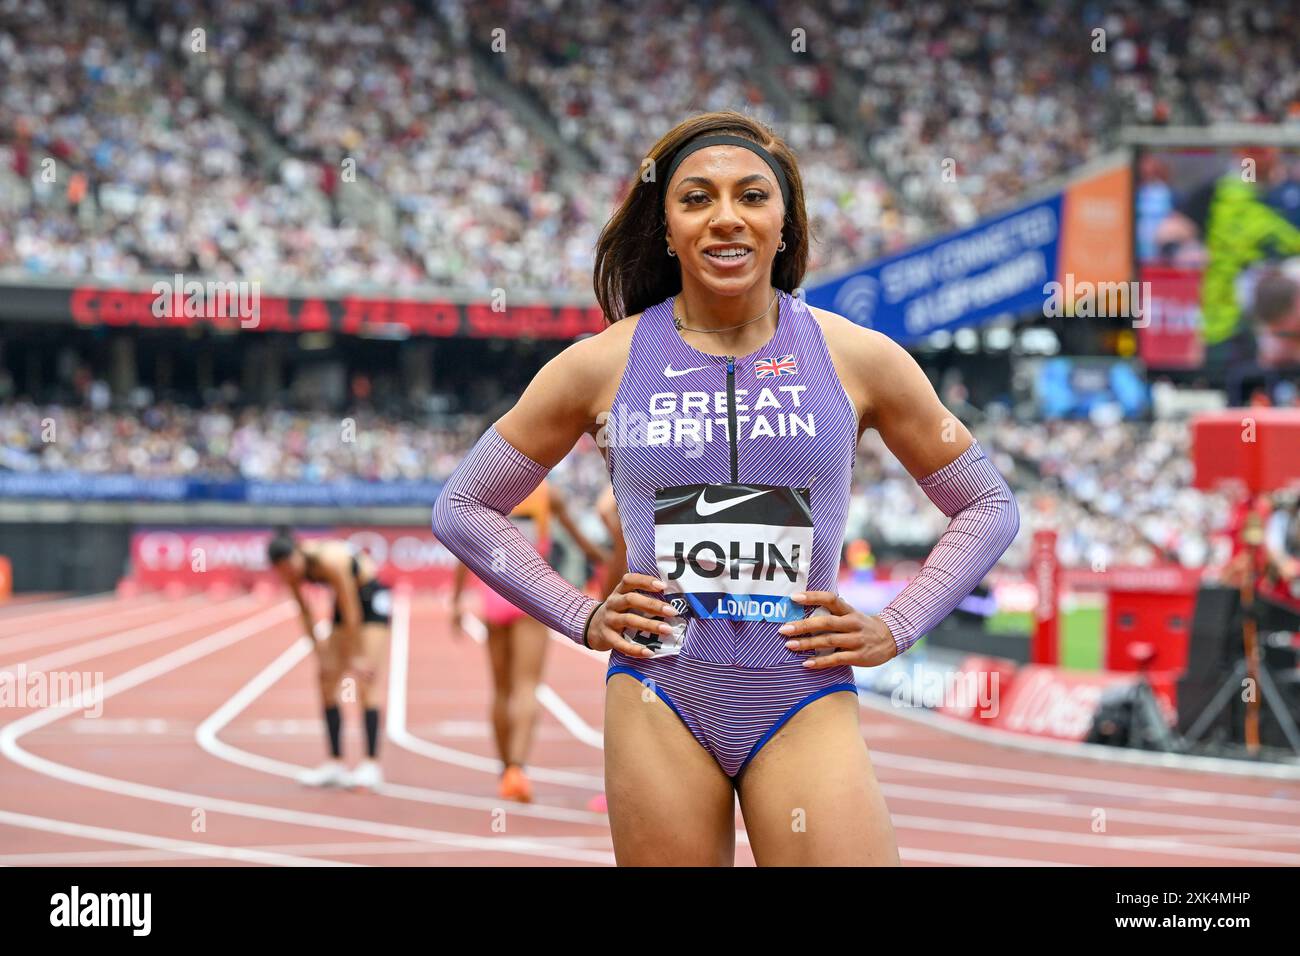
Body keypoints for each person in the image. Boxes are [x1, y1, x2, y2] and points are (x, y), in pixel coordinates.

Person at [433, 109, 1019, 865]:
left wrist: (899, 624)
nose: (725, 218)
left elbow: (988, 503)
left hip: (801, 687)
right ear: (667, 230)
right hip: (659, 693)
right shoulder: (601, 364)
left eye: (751, 196)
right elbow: (464, 505)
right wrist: (579, 614)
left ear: (784, 224)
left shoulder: (859, 358)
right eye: (696, 199)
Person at [450, 479, 608, 802]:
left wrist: (455, 600)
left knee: (501, 688)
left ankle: (504, 767)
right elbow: (581, 543)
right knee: (526, 686)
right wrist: (609, 556)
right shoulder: (548, 493)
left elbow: (461, 545)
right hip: (529, 591)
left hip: (493, 591)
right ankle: (517, 770)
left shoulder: (482, 490)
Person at [267, 529, 391, 790]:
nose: (289, 573)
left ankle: (371, 765)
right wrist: (319, 651)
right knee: (326, 679)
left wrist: (357, 656)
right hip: (344, 607)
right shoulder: (291, 570)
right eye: (283, 571)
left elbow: (351, 607)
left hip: (369, 598)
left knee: (366, 679)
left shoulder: (330, 560)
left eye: (290, 566)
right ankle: (335, 763)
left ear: (298, 553)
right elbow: (305, 612)